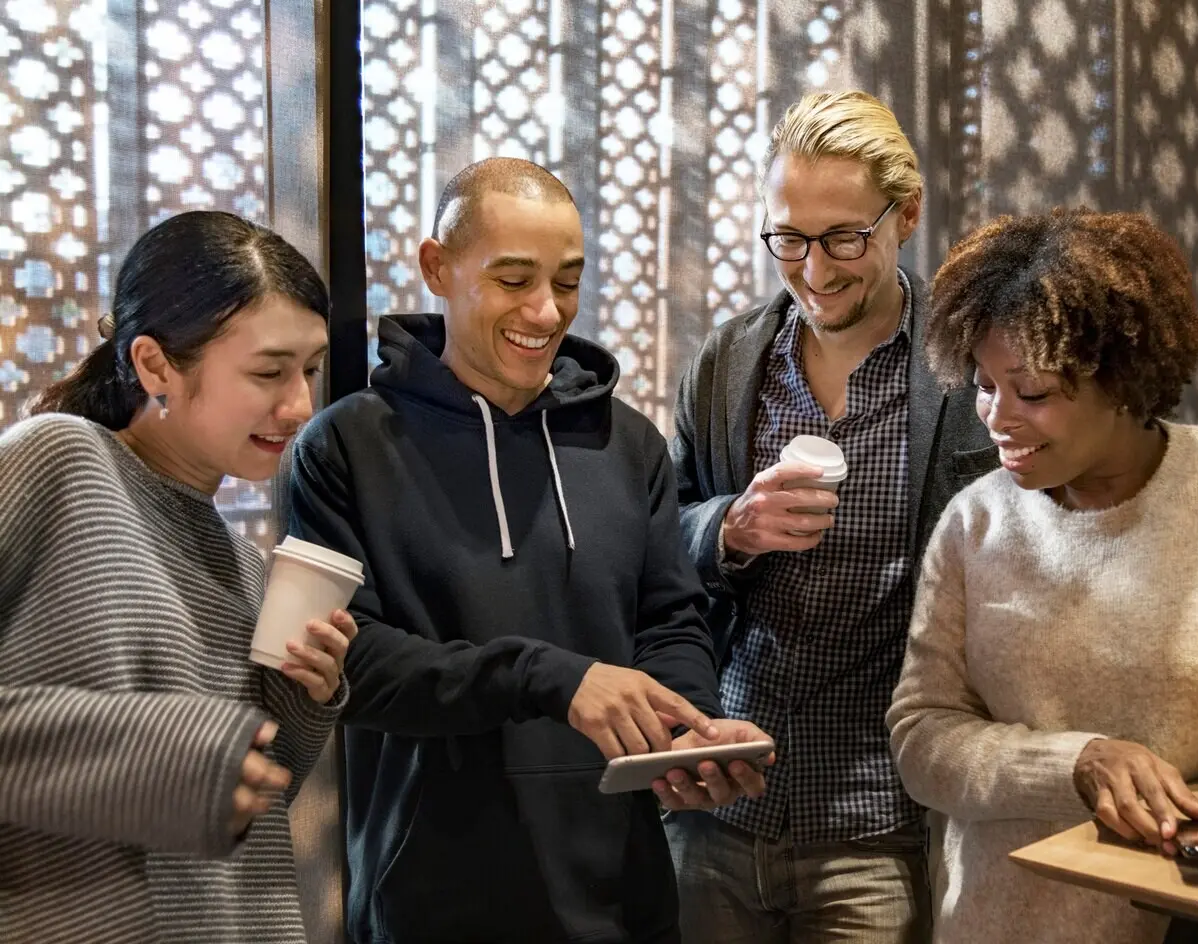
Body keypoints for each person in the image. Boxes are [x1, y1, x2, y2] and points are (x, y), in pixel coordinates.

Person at [287, 156, 770, 944]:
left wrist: (688, 731)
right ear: (437, 268)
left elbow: (670, 621)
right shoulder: (347, 447)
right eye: (514, 280)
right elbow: (354, 665)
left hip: (624, 894)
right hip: (431, 902)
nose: (546, 312)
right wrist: (549, 678)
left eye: (568, 282)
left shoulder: (629, 444)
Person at [886, 207, 1198, 943]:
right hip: (1003, 923)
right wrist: (1072, 764)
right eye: (985, 385)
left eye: (1034, 392)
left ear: (1121, 377)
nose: (996, 418)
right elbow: (923, 735)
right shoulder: (975, 523)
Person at [666, 90, 996, 943]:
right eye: (790, 240)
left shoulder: (965, 376)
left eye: (845, 238)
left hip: (876, 820)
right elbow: (658, 542)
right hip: (722, 804)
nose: (815, 270)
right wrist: (728, 528)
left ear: (906, 216)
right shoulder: (729, 364)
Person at [0, 210, 354, 944]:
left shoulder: (245, 562)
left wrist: (301, 699)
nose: (300, 406)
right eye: (268, 372)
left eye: (310, 369)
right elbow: (174, 767)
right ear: (156, 364)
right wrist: (165, 754)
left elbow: (237, 802)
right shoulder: (59, 462)